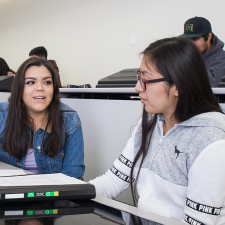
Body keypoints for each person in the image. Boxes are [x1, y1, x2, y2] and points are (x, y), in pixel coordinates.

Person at [89, 38, 225, 224]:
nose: (137, 87)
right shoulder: (151, 122)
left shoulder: (211, 141)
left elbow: (198, 221)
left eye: (146, 80)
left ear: (179, 86)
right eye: (139, 78)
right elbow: (113, 181)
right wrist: (66, 194)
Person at [0, 57, 84, 179]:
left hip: (51, 199)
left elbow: (72, 175)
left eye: (47, 82)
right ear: (20, 87)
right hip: (7, 198)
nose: (40, 88)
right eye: (31, 82)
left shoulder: (69, 120)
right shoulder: (1, 114)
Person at [179, 16, 225, 87]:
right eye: (188, 39)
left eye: (195, 39)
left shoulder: (222, 58)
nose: (191, 44)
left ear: (209, 36)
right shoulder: (186, 55)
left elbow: (210, 82)